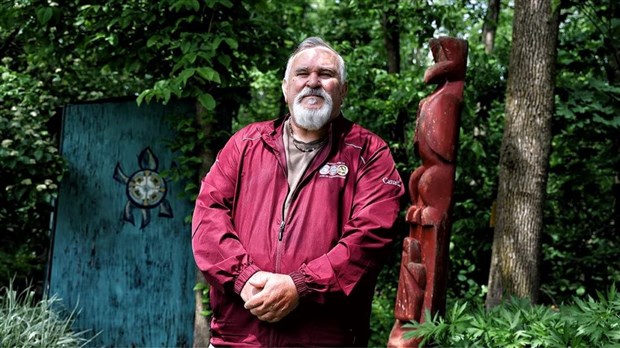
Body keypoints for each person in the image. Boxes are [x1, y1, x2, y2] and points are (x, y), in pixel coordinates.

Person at [192, 37, 404, 347]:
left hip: (324, 339)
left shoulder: (368, 151)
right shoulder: (246, 143)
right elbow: (208, 217)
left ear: (343, 90)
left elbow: (371, 236)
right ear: (286, 86)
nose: (313, 82)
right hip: (238, 338)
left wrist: (300, 286)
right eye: (303, 73)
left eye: (326, 74)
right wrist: (244, 278)